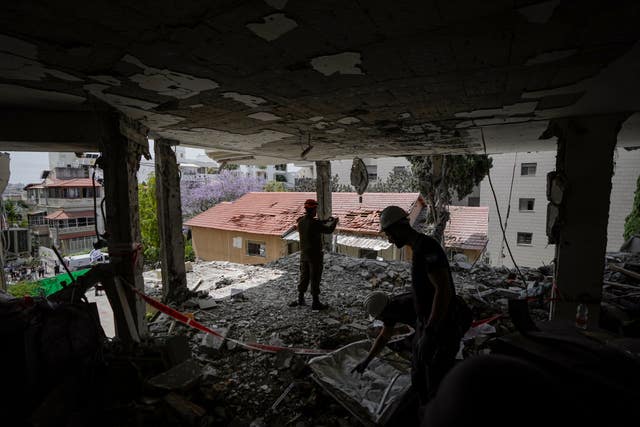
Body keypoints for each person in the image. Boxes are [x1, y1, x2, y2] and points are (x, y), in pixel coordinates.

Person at [373, 205, 472, 405]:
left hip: (441, 328)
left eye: (390, 234)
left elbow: (442, 290)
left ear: (399, 227)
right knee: (420, 376)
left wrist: (430, 331)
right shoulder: (418, 250)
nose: (390, 239)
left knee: (436, 382)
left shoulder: (427, 247)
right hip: (426, 324)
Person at [289, 198, 338, 310]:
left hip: (304, 255)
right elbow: (329, 230)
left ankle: (300, 299)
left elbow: (313, 223)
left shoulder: (301, 222)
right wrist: (335, 222)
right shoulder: (314, 223)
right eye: (315, 209)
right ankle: (315, 303)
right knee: (315, 277)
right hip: (315, 256)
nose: (316, 211)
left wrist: (324, 221)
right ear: (312, 210)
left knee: (304, 277)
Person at [351, 291, 416, 373]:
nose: (378, 320)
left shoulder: (410, 306)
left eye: (378, 317)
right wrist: (366, 361)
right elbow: (383, 337)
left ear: (384, 312)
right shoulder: (391, 310)